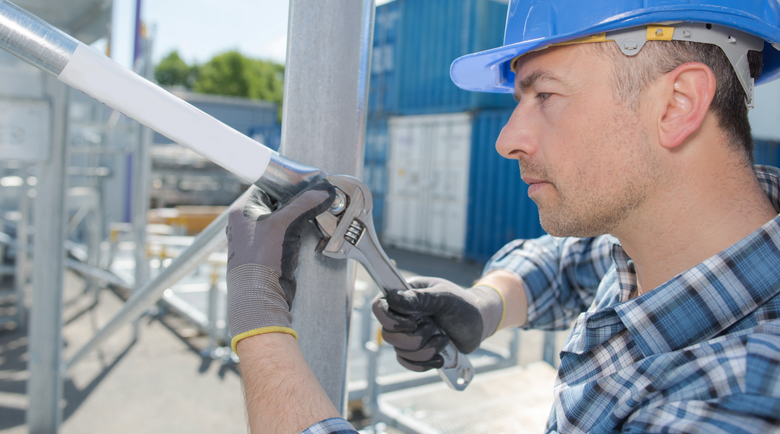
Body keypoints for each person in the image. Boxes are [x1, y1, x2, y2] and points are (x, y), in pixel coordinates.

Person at [226, 1, 780, 433]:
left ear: (677, 103)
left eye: (545, 95)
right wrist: (486, 305)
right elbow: (569, 266)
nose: (507, 139)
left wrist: (259, 321)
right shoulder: (672, 242)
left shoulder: (736, 400)